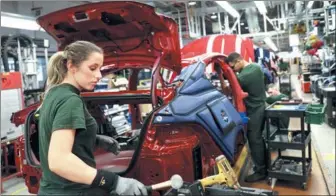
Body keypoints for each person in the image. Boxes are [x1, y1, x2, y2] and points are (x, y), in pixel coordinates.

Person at [37, 40, 148, 195]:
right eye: (92, 68)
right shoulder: (71, 100)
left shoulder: (53, 94)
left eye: (100, 69)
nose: (99, 75)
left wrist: (93, 139)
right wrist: (113, 182)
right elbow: (59, 161)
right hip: (72, 191)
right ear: (71, 66)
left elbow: (56, 137)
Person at [226, 52, 267, 182]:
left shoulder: (248, 73)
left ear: (239, 61)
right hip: (256, 108)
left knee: (255, 139)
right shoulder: (253, 67)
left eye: (233, 67)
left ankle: (261, 171)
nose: (233, 70)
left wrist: (225, 75)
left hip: (256, 110)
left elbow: (229, 88)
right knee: (258, 139)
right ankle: (263, 166)